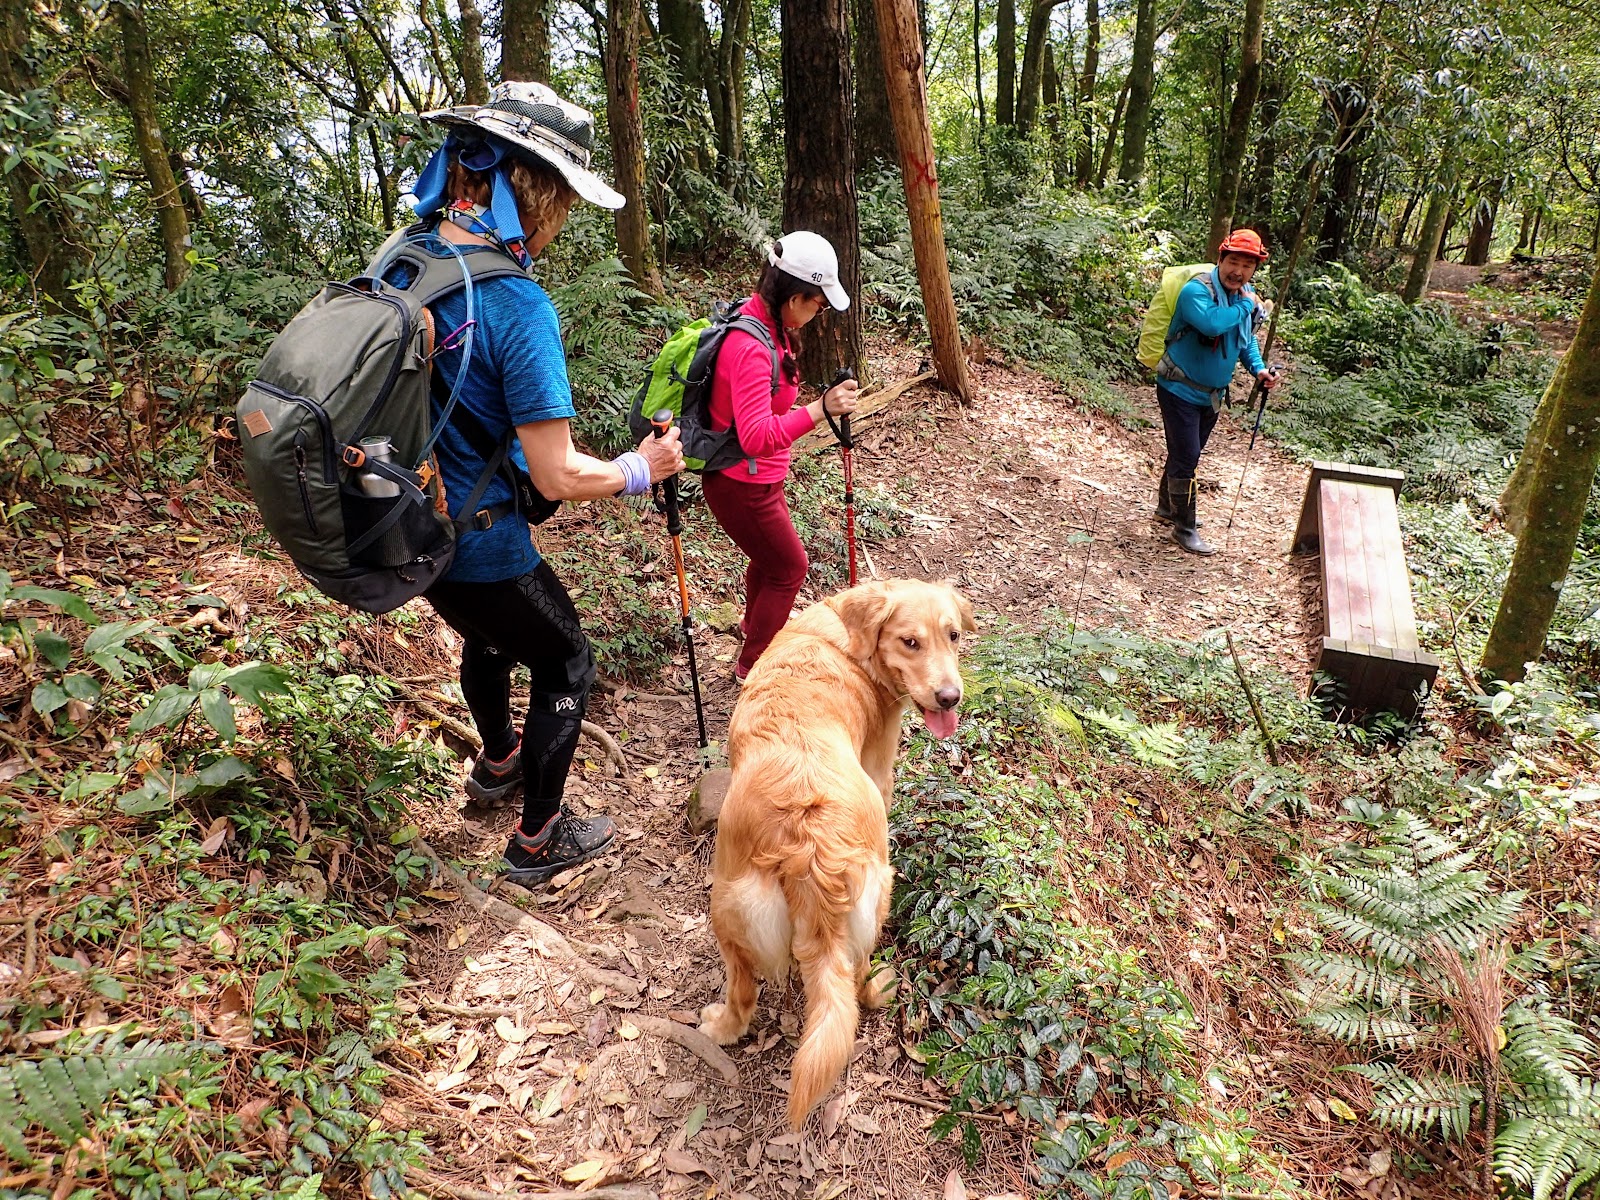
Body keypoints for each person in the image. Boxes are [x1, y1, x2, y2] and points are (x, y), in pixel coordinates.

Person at [404, 81, 684, 884]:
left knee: (490, 636)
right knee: (565, 661)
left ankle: (498, 763)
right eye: (562, 199)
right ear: (538, 193)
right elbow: (557, 472)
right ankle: (538, 840)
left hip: (407, 525)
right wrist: (640, 467)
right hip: (480, 542)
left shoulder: (406, 259)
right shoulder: (515, 303)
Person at [702, 232, 861, 683]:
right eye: (819, 306)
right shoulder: (751, 346)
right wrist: (820, 409)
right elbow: (755, 437)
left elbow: (764, 411)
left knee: (769, 561)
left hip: (757, 480)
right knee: (790, 569)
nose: (819, 315)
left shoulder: (768, 325)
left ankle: (753, 629)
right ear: (795, 298)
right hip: (742, 484)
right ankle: (754, 666)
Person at [1153, 228, 1279, 556]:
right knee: (1187, 456)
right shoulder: (1196, 291)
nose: (1239, 271)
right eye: (1233, 262)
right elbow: (1212, 323)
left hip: (1210, 395)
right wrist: (1247, 305)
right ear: (1220, 259)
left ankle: (1167, 507)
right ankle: (1184, 528)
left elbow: (1245, 339)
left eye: (1247, 266)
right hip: (1178, 387)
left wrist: (1258, 369)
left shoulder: (1244, 297)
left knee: (1185, 453)